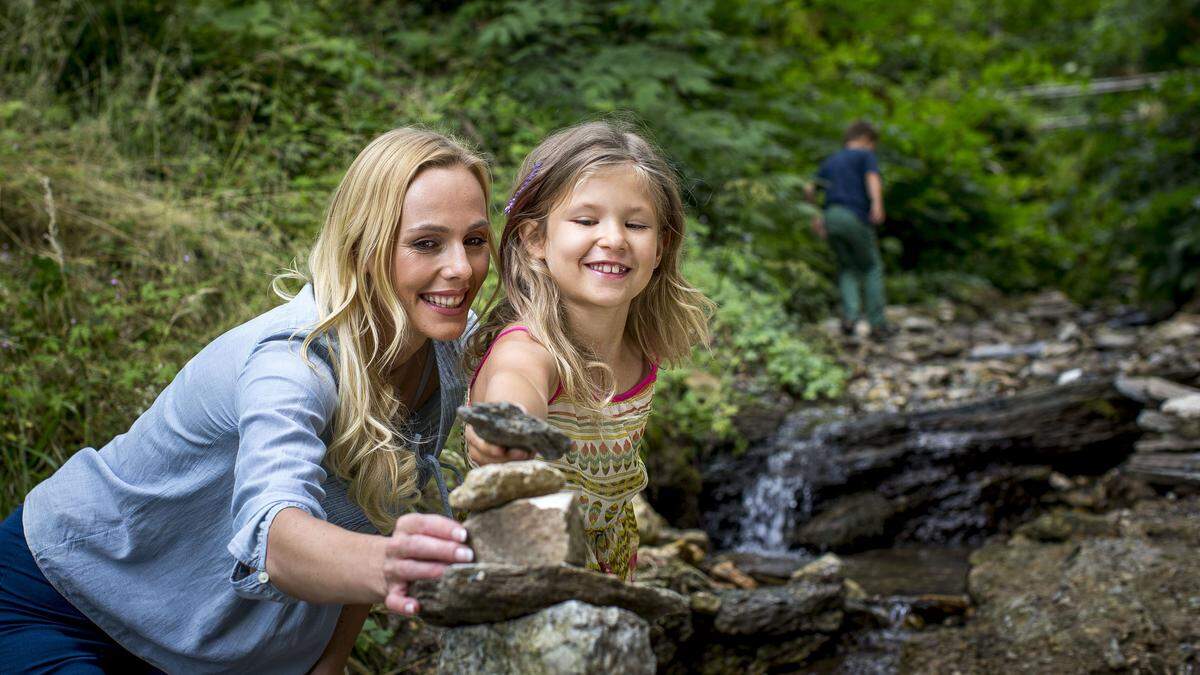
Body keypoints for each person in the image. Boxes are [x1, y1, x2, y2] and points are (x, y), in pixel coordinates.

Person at [0, 128, 491, 674]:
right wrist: (395, 564)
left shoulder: (444, 347)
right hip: (62, 595)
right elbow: (275, 533)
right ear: (364, 247)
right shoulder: (291, 363)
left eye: (474, 240)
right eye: (427, 243)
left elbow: (377, 509)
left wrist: (329, 662)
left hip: (206, 652)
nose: (462, 269)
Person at [463, 120, 712, 581]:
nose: (614, 238)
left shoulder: (638, 351)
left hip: (612, 577)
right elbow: (514, 388)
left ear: (660, 248)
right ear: (535, 239)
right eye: (585, 220)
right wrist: (507, 428)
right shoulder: (531, 350)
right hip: (526, 584)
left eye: (635, 224)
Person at [808, 120, 893, 338]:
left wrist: (816, 216)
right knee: (871, 266)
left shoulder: (831, 161)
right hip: (854, 215)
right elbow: (872, 178)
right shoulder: (864, 156)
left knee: (847, 268)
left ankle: (850, 318)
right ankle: (877, 324)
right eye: (873, 144)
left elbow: (809, 188)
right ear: (865, 139)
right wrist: (877, 204)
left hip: (831, 216)